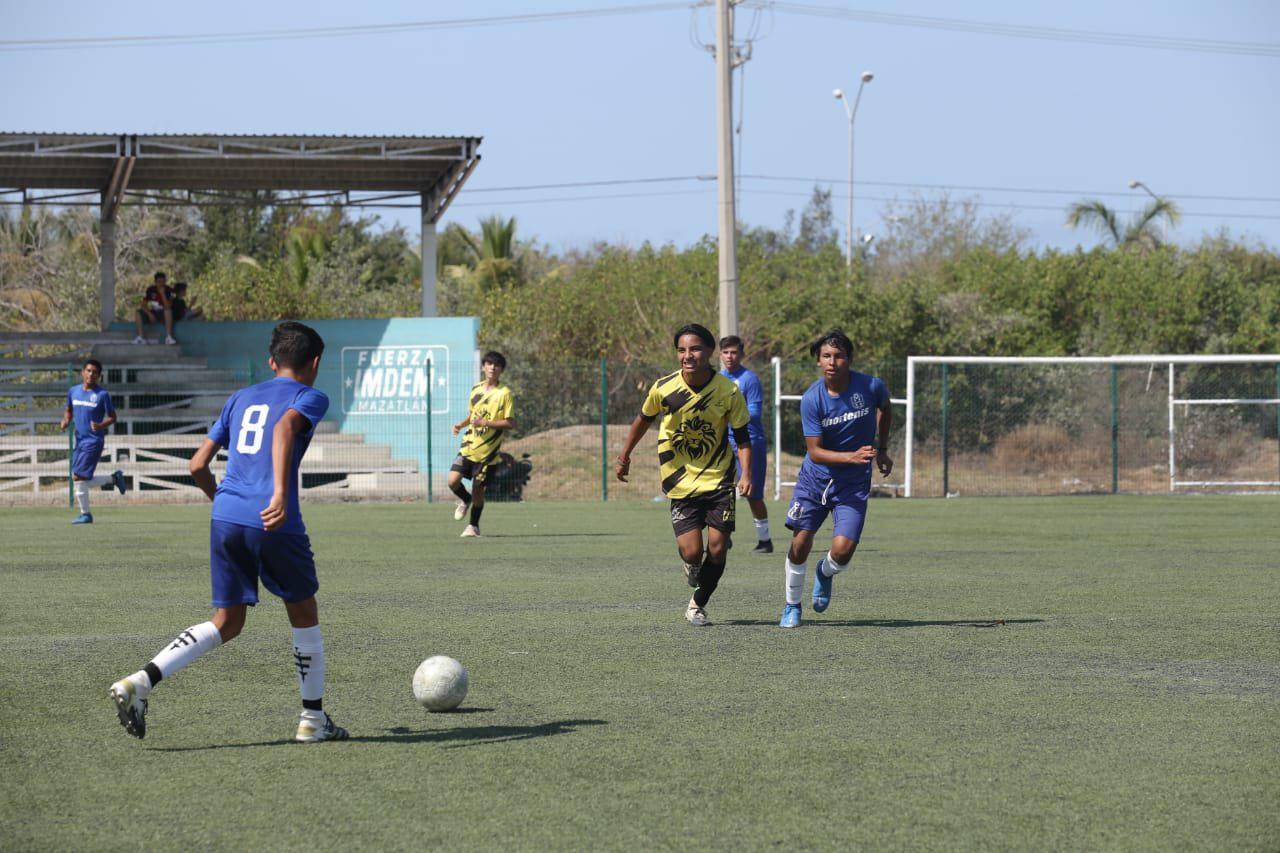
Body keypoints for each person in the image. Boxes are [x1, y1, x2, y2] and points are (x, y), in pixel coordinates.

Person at [108, 321, 347, 743]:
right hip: (274, 518)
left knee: (227, 621)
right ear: (315, 364)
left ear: (271, 362)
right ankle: (312, 720)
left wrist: (222, 502)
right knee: (303, 613)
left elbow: (198, 465)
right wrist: (278, 494)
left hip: (227, 517)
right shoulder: (310, 396)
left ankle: (139, 682)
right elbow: (284, 429)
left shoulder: (239, 397)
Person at [616, 324, 752, 627]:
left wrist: (747, 474)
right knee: (693, 552)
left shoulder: (728, 391)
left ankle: (697, 605)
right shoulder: (664, 388)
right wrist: (626, 455)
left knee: (717, 549)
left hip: (719, 479)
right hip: (679, 480)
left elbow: (743, 437)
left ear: (708, 352)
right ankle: (691, 565)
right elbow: (642, 420)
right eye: (681, 350)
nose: (687, 356)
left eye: (694, 349)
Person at [778, 329, 893, 628]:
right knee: (800, 542)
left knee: (842, 552)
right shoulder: (811, 399)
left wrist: (882, 448)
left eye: (839, 355)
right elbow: (815, 452)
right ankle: (792, 605)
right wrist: (852, 456)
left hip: (853, 484)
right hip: (814, 481)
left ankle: (825, 573)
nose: (833, 362)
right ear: (818, 361)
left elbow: (886, 408)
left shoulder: (870, 386)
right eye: (826, 356)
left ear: (849, 359)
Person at [448, 351, 516, 538]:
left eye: (497, 365)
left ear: (501, 370)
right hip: (469, 445)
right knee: (452, 481)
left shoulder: (505, 394)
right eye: (489, 363)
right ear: (483, 366)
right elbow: (473, 416)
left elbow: (511, 423)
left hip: (488, 453)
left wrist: (486, 423)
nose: (492, 367)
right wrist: (461, 424)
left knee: (479, 490)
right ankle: (465, 499)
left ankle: (473, 526)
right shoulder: (476, 389)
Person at [719, 335, 773, 554]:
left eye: (734, 352)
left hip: (750, 442)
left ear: (741, 354)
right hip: (724, 442)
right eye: (725, 352)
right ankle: (724, 535)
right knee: (720, 490)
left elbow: (755, 413)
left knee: (752, 493)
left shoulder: (749, 379)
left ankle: (765, 540)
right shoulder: (718, 378)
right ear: (720, 355)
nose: (730, 356)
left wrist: (727, 414)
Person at [59, 359, 125, 524]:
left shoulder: (102, 395)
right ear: (82, 372)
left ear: (99, 376)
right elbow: (68, 410)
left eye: (95, 372)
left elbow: (113, 417)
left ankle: (86, 514)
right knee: (78, 478)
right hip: (79, 440)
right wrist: (66, 421)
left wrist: (101, 425)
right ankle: (113, 479)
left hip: (94, 441)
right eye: (88, 371)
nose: (91, 374)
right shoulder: (73, 391)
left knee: (78, 476)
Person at [133, 271, 177, 345]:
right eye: (159, 282)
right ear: (155, 282)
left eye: (163, 281)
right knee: (138, 312)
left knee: (168, 311)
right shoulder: (151, 290)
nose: (161, 284)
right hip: (153, 312)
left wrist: (162, 294)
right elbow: (143, 305)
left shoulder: (168, 290)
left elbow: (168, 306)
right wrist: (149, 314)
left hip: (163, 314)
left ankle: (169, 337)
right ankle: (140, 337)